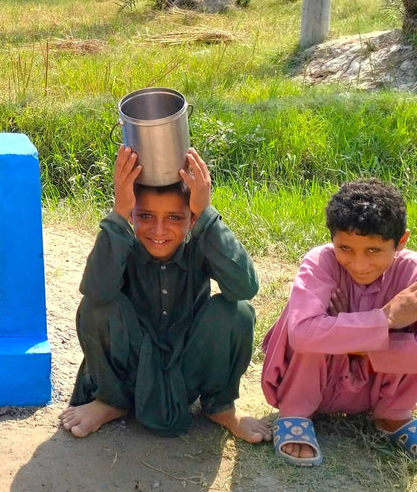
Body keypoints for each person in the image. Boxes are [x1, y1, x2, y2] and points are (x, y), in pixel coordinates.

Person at [61, 146, 271, 443]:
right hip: (130, 368)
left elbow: (245, 287)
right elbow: (96, 292)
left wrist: (208, 214)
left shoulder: (201, 245)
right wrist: (118, 213)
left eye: (175, 217)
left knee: (238, 311)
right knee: (97, 306)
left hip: (188, 368)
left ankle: (220, 408)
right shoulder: (123, 246)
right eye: (145, 215)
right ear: (132, 215)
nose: (159, 230)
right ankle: (110, 402)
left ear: (192, 219)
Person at [262, 178, 417, 466]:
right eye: (345, 248)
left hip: (377, 388)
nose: (359, 264)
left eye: (374, 251)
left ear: (401, 242)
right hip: (317, 382)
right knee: (305, 324)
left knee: (325, 330)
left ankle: (392, 415)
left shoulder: (412, 275)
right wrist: (386, 319)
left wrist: (345, 332)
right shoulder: (321, 262)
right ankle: (296, 412)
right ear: (332, 238)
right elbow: (303, 336)